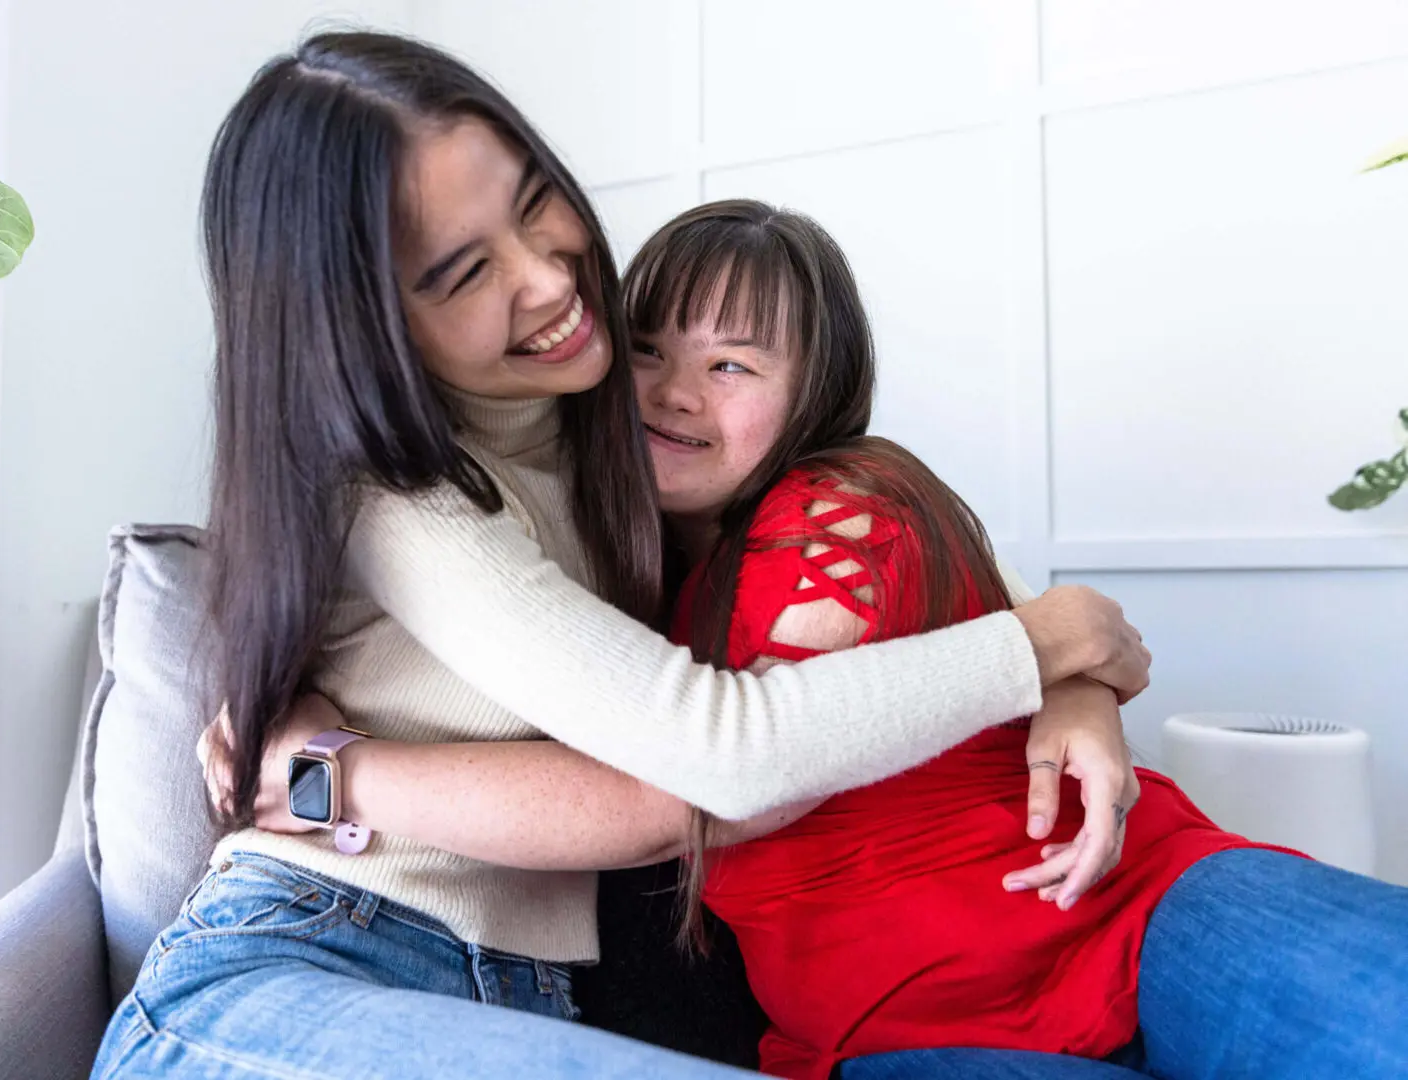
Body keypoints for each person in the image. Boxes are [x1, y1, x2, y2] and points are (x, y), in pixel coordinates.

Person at [96, 30, 1149, 1080]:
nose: (548, 283)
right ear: (364, 324)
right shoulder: (393, 499)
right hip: (296, 972)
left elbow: (955, 587)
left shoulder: (629, 413)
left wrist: (1071, 684)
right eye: (464, 272)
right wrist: (1039, 644)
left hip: (522, 996)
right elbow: (727, 762)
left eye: (533, 202)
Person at [245, 200, 1408, 1080]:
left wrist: (325, 777)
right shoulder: (611, 585)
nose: (676, 391)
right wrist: (1069, 670)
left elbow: (756, 768)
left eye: (734, 364)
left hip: (1130, 908)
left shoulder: (842, 501)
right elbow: (1053, 639)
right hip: (890, 1026)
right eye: (650, 349)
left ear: (812, 395)